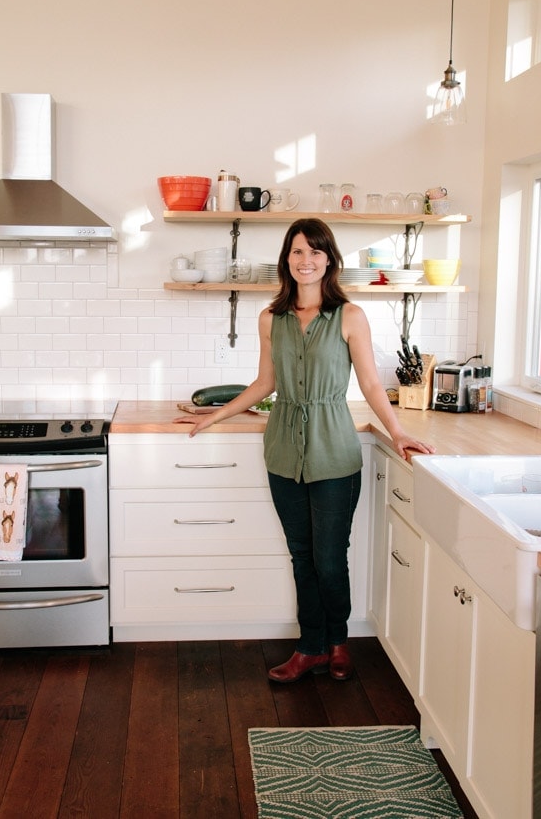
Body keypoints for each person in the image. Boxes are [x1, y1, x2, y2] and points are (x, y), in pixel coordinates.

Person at [175, 218, 435, 683]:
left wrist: (396, 432)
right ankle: (309, 646)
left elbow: (372, 383)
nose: (306, 260)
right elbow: (264, 383)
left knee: (330, 557)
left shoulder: (349, 316)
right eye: (297, 252)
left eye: (315, 252)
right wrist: (214, 415)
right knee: (302, 555)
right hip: (282, 453)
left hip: (334, 451)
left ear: (329, 259)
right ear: (287, 259)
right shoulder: (270, 318)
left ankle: (338, 642)